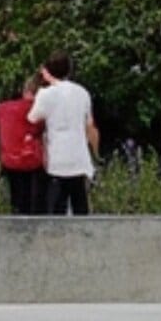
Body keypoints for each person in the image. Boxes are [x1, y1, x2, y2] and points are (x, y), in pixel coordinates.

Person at [29, 58, 98, 215]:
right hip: (79, 159)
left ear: (48, 72)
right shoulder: (82, 92)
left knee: (57, 208)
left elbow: (32, 119)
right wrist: (96, 153)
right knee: (80, 205)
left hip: (57, 161)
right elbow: (89, 125)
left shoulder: (45, 94)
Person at [0, 71, 46, 217]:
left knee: (16, 200)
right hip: (32, 162)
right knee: (35, 202)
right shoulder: (38, 110)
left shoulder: (1, 109)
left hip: (9, 161)